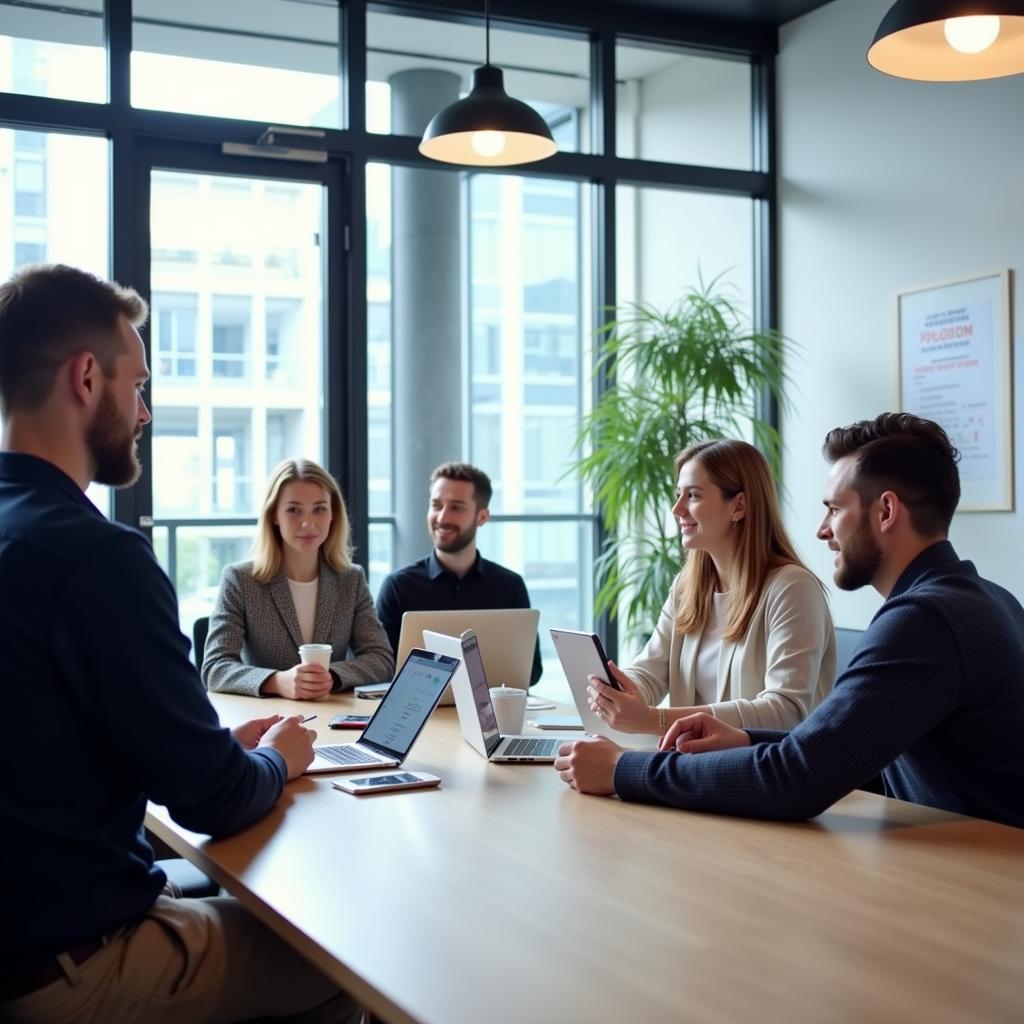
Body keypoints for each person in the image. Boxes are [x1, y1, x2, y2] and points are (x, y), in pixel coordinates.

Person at [0, 264, 358, 1022]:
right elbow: (216, 800)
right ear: (87, 378)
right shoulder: (96, 557)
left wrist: (225, 752)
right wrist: (278, 758)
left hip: (19, 937)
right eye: (140, 387)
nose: (146, 413)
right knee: (350, 953)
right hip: (74, 965)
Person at [554, 413, 1024, 830]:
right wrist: (745, 738)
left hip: (987, 885)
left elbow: (798, 778)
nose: (822, 530)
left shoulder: (923, 621)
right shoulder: (987, 599)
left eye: (834, 509)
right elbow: (855, 752)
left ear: (886, 512)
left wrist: (623, 771)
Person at [588, 439, 835, 735]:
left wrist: (657, 720)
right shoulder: (687, 586)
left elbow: (785, 710)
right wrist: (616, 693)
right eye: (679, 494)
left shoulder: (793, 588)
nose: (677, 508)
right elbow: (650, 671)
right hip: (694, 765)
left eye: (693, 495)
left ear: (739, 506)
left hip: (761, 773)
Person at [203, 458, 394, 699]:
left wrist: (330, 677)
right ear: (274, 515)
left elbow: (381, 659)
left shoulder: (351, 579)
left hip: (332, 715)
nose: (308, 523)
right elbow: (215, 668)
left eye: (319, 509)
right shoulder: (240, 580)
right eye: (293, 510)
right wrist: (277, 681)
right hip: (267, 721)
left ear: (333, 514)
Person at [375, 461, 543, 685]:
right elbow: (383, 667)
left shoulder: (510, 585)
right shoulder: (397, 586)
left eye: (456, 507)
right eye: (436, 505)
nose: (442, 517)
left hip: (492, 715)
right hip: (421, 716)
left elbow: (531, 670)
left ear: (482, 517)